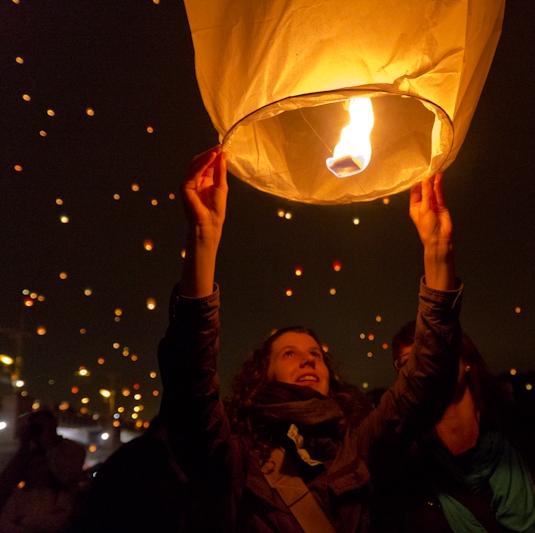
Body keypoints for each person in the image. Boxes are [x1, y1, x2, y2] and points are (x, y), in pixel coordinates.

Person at [158, 146, 463, 532]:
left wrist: (439, 255)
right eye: (290, 353)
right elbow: (189, 388)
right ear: (261, 375)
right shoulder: (234, 456)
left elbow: (427, 382)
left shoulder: (358, 446)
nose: (309, 361)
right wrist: (202, 238)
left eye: (315, 354)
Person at [371, 322, 535, 533]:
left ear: (466, 359)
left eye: (431, 353)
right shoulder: (402, 464)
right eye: (406, 363)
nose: (420, 368)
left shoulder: (526, 434)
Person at [0, 410, 85, 533]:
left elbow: (67, 476)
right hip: (28, 504)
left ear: (54, 424)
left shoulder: (74, 449)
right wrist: (23, 446)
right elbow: (6, 482)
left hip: (59, 509)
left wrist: (48, 444)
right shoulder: (31, 450)